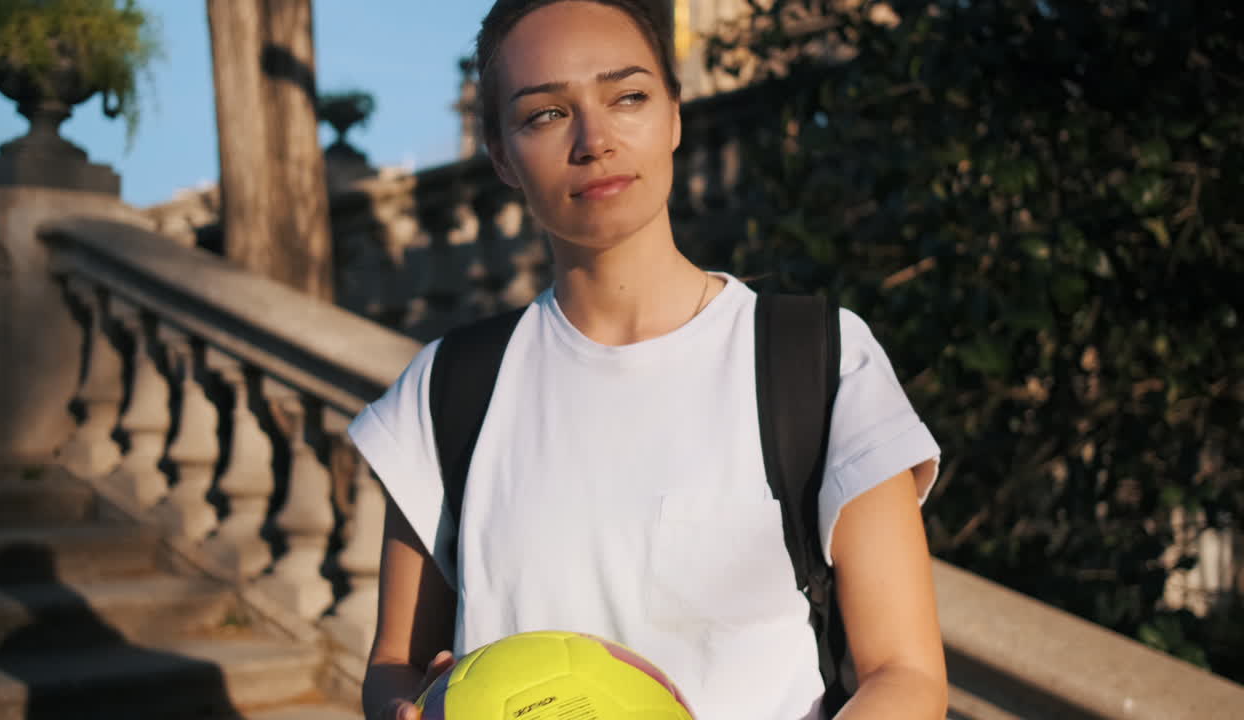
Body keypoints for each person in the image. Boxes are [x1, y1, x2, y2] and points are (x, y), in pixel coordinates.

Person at [347, 1, 948, 718]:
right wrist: (405, 707)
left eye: (627, 96)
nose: (594, 140)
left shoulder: (815, 360)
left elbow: (904, 673)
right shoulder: (449, 385)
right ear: (501, 153)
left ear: (675, 114)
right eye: (545, 114)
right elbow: (397, 661)